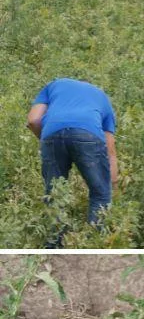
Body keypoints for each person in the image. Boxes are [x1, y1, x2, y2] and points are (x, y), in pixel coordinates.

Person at [26, 78, 118, 239]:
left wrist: (47, 141)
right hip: (88, 133)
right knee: (100, 194)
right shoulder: (102, 96)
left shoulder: (55, 85)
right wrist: (111, 185)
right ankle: (94, 243)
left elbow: (33, 120)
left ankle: (54, 244)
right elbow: (110, 151)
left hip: (51, 132)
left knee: (54, 194)